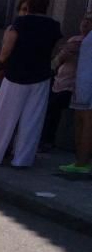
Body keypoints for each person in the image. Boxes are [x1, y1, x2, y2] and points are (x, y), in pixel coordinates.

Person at [0, 0, 62, 168]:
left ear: (30, 5)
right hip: (41, 76)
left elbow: (7, 49)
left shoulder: (21, 22)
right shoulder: (54, 25)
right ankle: (22, 159)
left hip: (16, 74)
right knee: (32, 120)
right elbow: (54, 50)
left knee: (4, 116)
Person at [42, 12, 92, 151]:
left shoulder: (84, 43)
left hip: (74, 86)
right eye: (84, 19)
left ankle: (47, 141)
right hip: (60, 81)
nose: (85, 23)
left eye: (90, 21)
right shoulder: (74, 40)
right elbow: (59, 58)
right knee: (48, 108)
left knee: (53, 108)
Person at [60, 14, 92, 174]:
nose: (86, 23)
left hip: (88, 83)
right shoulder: (83, 39)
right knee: (80, 120)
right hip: (82, 82)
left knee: (86, 122)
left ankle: (82, 162)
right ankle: (80, 160)